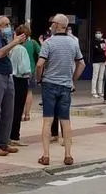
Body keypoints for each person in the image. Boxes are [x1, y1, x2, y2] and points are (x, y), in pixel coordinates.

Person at [36, 14, 85, 166]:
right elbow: (81, 64)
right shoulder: (73, 43)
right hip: (65, 86)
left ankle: (46, 155)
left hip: (49, 84)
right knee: (66, 120)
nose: (51, 25)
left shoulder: (48, 43)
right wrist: (72, 80)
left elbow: (39, 64)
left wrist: (39, 78)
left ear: (56, 25)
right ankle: (68, 155)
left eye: (52, 23)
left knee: (47, 120)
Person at [0, 15, 26, 157]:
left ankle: (3, 143)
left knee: (9, 111)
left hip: (7, 76)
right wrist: (14, 42)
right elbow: (0, 54)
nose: (10, 27)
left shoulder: (2, 38)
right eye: (7, 24)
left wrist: (13, 43)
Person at [8, 24, 33, 147]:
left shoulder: (12, 48)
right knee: (18, 109)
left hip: (13, 78)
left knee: (13, 108)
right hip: (21, 79)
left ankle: (10, 134)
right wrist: (29, 73)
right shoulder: (21, 49)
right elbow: (23, 68)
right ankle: (14, 136)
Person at [22, 27, 41, 121]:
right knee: (29, 92)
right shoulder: (33, 42)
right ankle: (27, 114)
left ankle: (20, 113)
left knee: (19, 93)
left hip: (19, 71)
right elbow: (41, 53)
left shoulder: (17, 42)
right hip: (31, 69)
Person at [91, 27, 106, 98]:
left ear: (102, 34)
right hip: (96, 61)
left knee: (101, 77)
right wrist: (103, 49)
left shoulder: (104, 41)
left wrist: (103, 48)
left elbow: (105, 49)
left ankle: (100, 91)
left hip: (103, 61)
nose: (98, 34)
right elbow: (99, 50)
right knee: (95, 76)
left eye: (99, 33)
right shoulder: (94, 42)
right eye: (97, 33)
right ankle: (94, 91)